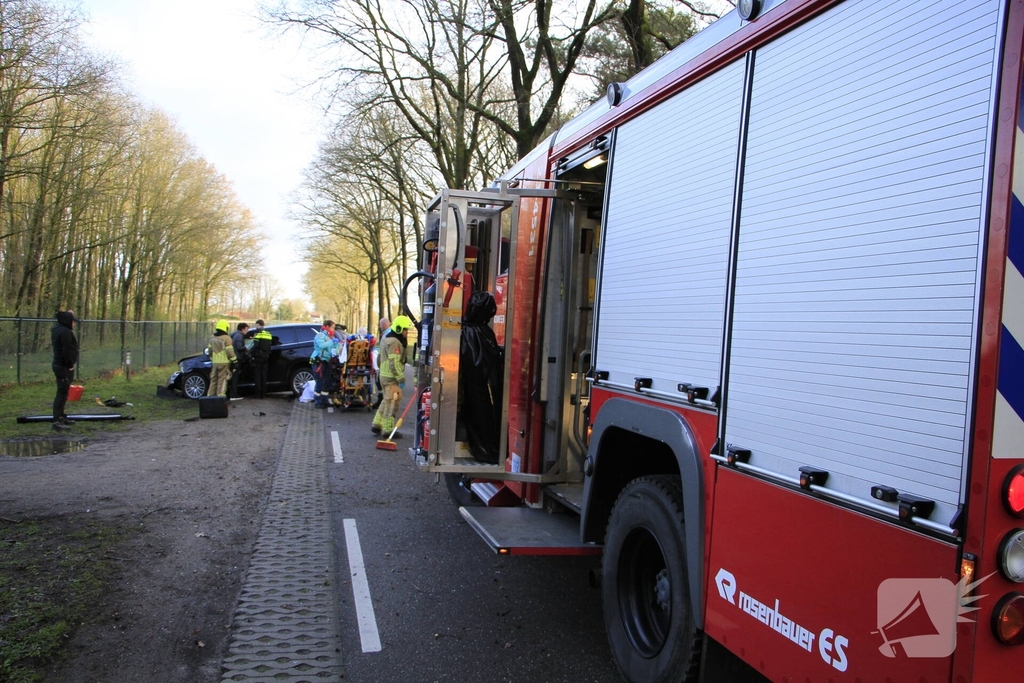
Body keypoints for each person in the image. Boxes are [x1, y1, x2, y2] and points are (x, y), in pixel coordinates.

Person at [372, 315, 411, 437]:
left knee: (386, 400)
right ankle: (388, 430)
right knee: (393, 402)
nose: (407, 332)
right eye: (405, 329)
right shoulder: (395, 342)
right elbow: (394, 362)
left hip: (384, 375)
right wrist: (401, 378)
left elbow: (379, 358)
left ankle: (377, 423)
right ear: (399, 329)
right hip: (391, 377)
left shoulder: (386, 338)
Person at [51, 310, 79, 431]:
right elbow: (66, 350)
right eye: (73, 321)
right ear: (69, 322)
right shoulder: (66, 332)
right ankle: (57, 419)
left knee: (64, 392)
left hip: (59, 364)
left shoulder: (57, 330)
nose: (74, 324)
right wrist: (70, 364)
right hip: (63, 366)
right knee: (62, 393)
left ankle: (61, 416)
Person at [311, 320, 338, 408]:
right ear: (327, 326)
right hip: (318, 361)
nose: (334, 330)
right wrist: (331, 341)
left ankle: (324, 400)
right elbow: (321, 346)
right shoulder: (320, 335)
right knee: (320, 381)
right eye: (333, 327)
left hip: (326, 361)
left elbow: (334, 349)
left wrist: (337, 346)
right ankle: (317, 402)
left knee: (326, 381)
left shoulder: (330, 336)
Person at [209, 319, 236, 397]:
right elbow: (229, 351)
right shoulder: (227, 338)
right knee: (222, 380)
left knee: (213, 380)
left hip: (215, 362)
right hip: (224, 363)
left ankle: (210, 397)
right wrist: (235, 361)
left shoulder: (212, 337)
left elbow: (210, 350)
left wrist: (212, 358)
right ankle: (220, 397)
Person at [250, 321, 273, 399]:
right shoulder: (269, 334)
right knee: (264, 375)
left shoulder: (258, 334)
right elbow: (269, 345)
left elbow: (255, 346)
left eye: (256, 325)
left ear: (258, 325)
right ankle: (263, 394)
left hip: (258, 357)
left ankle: (257, 394)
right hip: (266, 357)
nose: (256, 326)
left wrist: (251, 355)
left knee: (258, 375)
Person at [372, 317, 390, 409]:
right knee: (379, 381)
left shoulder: (388, 335)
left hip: (386, 364)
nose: (379, 326)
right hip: (383, 363)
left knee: (381, 383)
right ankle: (381, 401)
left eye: (380, 324)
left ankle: (383, 402)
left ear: (384, 325)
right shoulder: (386, 334)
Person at [229, 322, 250, 398]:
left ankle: (233, 392)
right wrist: (245, 348)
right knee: (235, 376)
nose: (247, 331)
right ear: (242, 329)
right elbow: (239, 347)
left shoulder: (234, 335)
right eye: (246, 329)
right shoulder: (239, 336)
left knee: (234, 376)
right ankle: (234, 393)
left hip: (235, 357)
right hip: (238, 358)